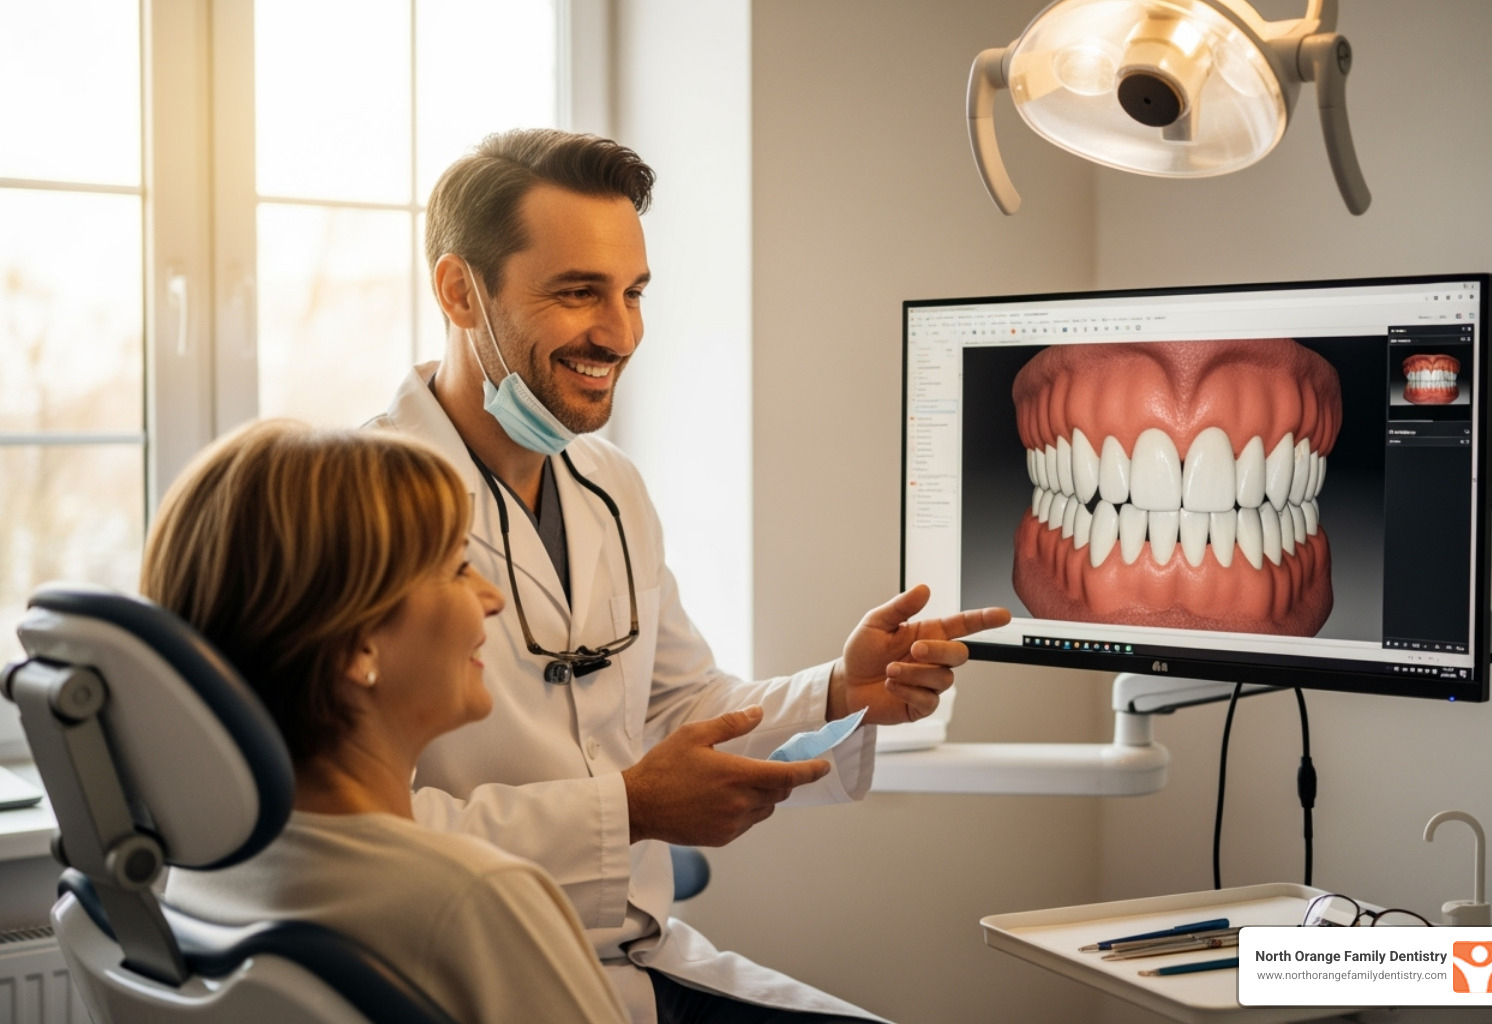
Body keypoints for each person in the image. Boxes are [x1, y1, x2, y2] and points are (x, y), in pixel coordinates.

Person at [373, 128, 1011, 1023]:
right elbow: (351, 832)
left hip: (634, 958)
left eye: (633, 293)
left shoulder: (610, 486)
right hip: (462, 979)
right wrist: (623, 810)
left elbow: (680, 705)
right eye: (578, 293)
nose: (621, 332)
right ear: (458, 291)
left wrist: (838, 693)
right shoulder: (355, 511)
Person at [145, 419, 630, 1024]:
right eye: (458, 567)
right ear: (358, 646)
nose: (492, 597)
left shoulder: (200, 874)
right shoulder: (475, 900)